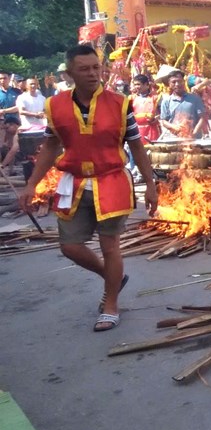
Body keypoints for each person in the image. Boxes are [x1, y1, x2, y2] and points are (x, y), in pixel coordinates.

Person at [18, 44, 157, 332]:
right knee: (69, 246)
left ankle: (110, 303)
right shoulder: (55, 106)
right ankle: (113, 277)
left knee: (110, 246)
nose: (93, 73)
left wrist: (151, 186)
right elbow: (51, 144)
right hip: (74, 182)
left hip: (112, 181)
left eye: (96, 67)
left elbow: (136, 146)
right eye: (84, 69)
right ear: (70, 73)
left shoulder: (120, 103)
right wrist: (32, 184)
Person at [159, 70, 207, 139]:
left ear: (184, 82)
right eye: (173, 82)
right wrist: (173, 127)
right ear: (169, 84)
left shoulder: (195, 98)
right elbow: (164, 121)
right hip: (174, 138)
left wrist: (194, 133)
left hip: (194, 138)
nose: (177, 84)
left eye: (179, 81)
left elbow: (202, 118)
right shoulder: (166, 101)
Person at [130, 74, 160, 144]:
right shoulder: (132, 98)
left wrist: (157, 118)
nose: (136, 87)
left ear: (146, 85)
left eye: (138, 84)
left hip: (151, 130)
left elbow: (162, 114)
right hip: (137, 131)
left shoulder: (155, 98)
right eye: (135, 85)